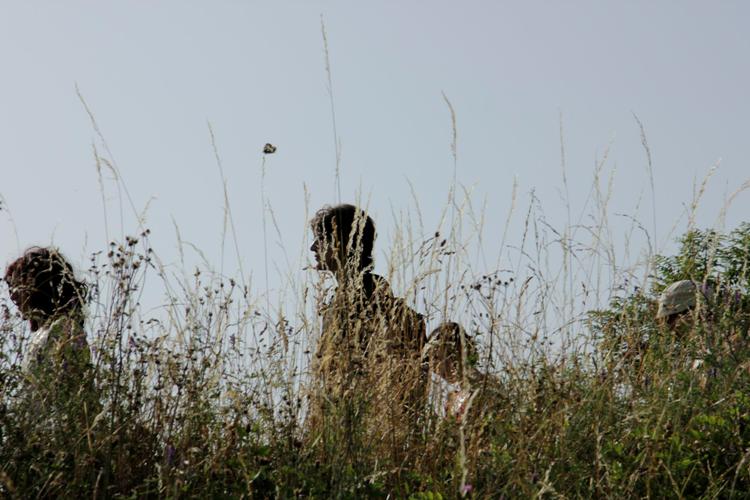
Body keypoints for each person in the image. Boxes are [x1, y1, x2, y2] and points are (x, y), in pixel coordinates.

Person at [308, 204, 427, 450]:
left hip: (364, 422)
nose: (313, 248)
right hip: (348, 418)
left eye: (321, 240)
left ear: (341, 242)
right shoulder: (346, 295)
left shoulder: (368, 289)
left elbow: (412, 336)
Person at [4, 247, 97, 417]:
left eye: (18, 285)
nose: (13, 296)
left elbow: (72, 394)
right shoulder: (46, 331)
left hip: (58, 433)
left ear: (39, 284)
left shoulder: (64, 329)